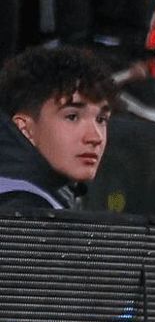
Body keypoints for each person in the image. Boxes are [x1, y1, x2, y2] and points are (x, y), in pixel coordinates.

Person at [0, 44, 112, 211]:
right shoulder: (23, 208)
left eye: (101, 119)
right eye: (72, 117)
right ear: (24, 128)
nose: (95, 138)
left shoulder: (48, 198)